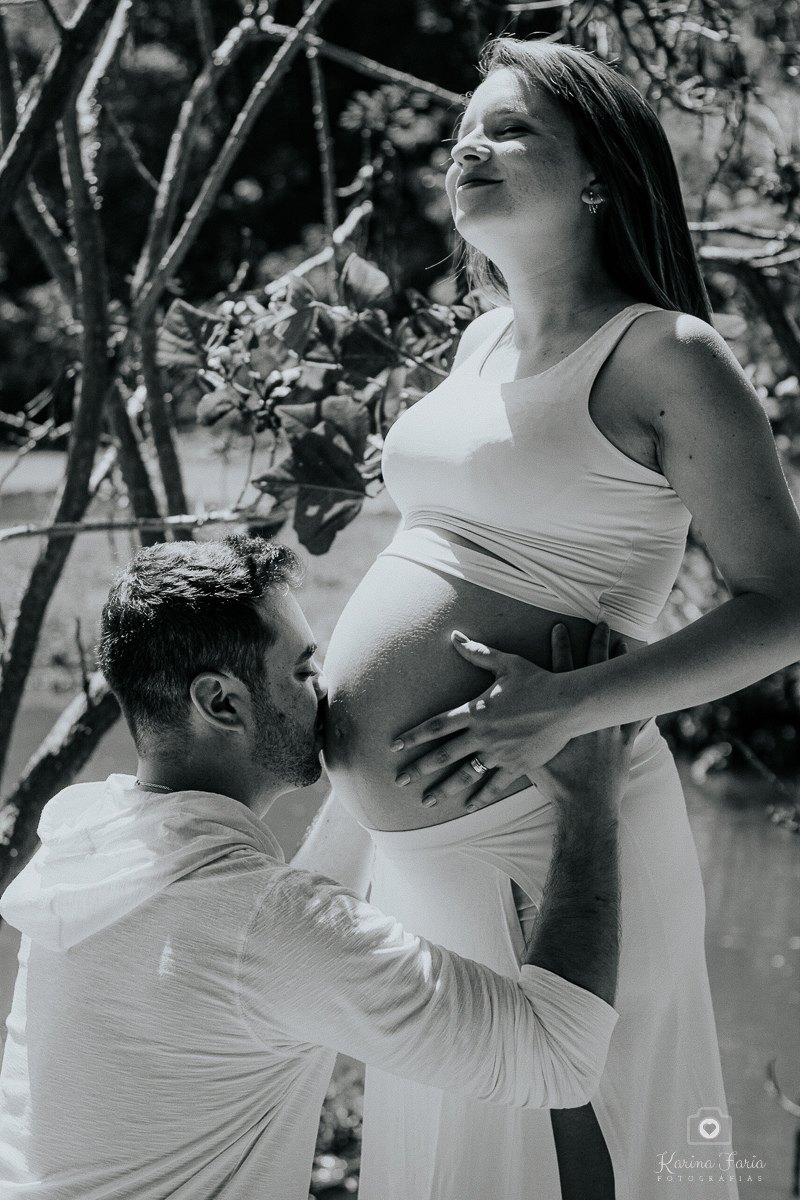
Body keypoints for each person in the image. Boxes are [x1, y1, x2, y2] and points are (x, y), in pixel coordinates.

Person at [315, 36, 800, 1200]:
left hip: (551, 817)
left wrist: (570, 706)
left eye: (509, 128)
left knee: (572, 1133)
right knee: (467, 1141)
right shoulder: (477, 343)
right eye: (460, 132)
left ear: (596, 176)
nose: (467, 147)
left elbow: (785, 604)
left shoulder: (665, 355)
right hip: (424, 846)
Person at [0, 535, 638, 1200]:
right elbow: (560, 1058)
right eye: (304, 671)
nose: (326, 689)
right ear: (221, 702)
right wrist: (589, 803)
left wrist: (366, 767)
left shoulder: (85, 845)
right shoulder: (263, 927)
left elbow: (267, 940)